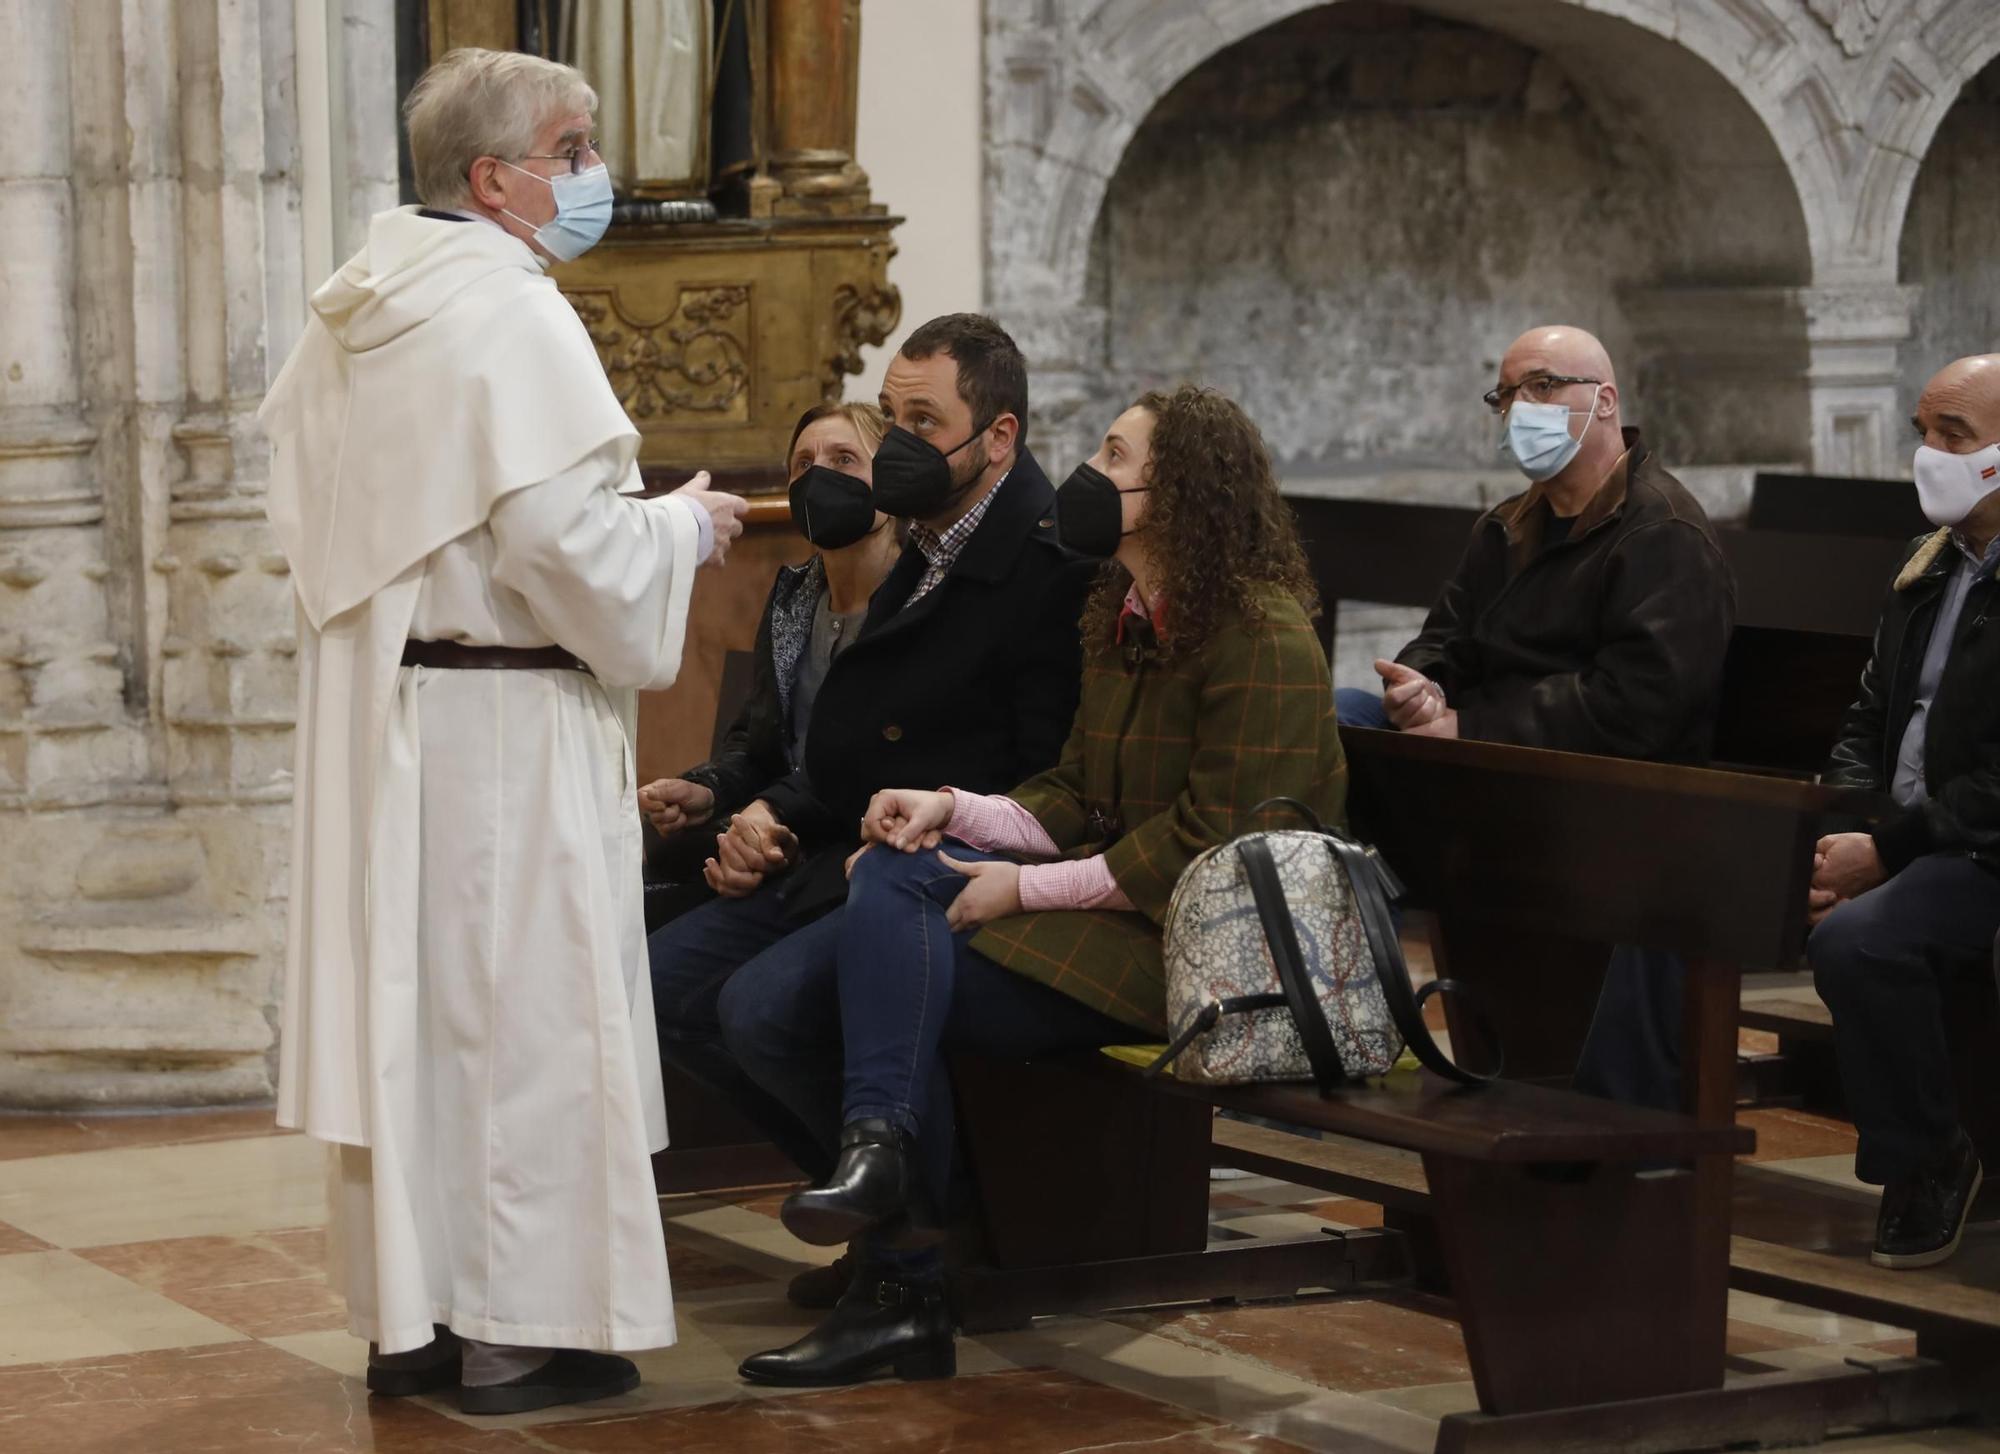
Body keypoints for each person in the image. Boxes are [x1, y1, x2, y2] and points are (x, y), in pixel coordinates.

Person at [260, 47, 747, 1415]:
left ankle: (410, 1319)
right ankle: (516, 1334)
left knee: (421, 1026)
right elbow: (560, 541)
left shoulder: (360, 307)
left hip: (404, 713)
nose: (595, 174)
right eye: (575, 148)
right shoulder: (509, 316)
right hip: (505, 727)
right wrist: (678, 525)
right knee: (521, 1024)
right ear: (495, 176)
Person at [721, 384, 1347, 1386]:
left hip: (1198, 956)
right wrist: (949, 807)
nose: (1089, 476)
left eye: (1114, 456)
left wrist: (1025, 892)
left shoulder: (1259, 632)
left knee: (887, 953)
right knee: (767, 999)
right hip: (1115, 917)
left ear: (1179, 489)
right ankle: (886, 1164)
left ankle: (900, 1273)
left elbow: (1221, 840)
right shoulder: (1123, 614)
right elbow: (1067, 788)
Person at [647, 314, 1094, 1300]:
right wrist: (752, 812)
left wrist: (934, 818)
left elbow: (1052, 775)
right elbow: (833, 744)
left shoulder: (1041, 567)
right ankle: (887, 1206)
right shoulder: (931, 544)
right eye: (889, 416)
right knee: (664, 985)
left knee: (760, 1006)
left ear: (999, 437)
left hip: (961, 864)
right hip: (851, 843)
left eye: (918, 421)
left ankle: (912, 1244)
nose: (895, 448)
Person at [1335, 325, 1735, 1113]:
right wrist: (1420, 687)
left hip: (1608, 798)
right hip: (1502, 780)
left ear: (1606, 400)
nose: (1523, 408)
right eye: (1508, 394)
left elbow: (1635, 710)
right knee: (1341, 719)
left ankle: (1608, 1119)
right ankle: (1342, 1002)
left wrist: (1468, 728)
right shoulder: (1508, 525)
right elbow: (1442, 640)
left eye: (1545, 386)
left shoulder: (1664, 535)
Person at [1806, 354, 2000, 1270]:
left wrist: (1884, 850)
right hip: (1904, 835)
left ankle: (1928, 1157)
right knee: (1682, 885)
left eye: (1954, 436)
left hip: (1980, 851)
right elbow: (1870, 715)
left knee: (1860, 940)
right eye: (1922, 431)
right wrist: (1835, 825)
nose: (1930, 454)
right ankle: (1633, 1126)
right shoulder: (1927, 567)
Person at [638, 402, 898, 930]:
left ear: (893, 481)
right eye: (803, 464)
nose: (819, 475)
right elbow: (755, 742)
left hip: (860, 849)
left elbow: (873, 760)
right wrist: (707, 788)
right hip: (775, 834)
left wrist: (771, 825)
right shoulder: (793, 597)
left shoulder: (917, 600)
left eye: (844, 459)